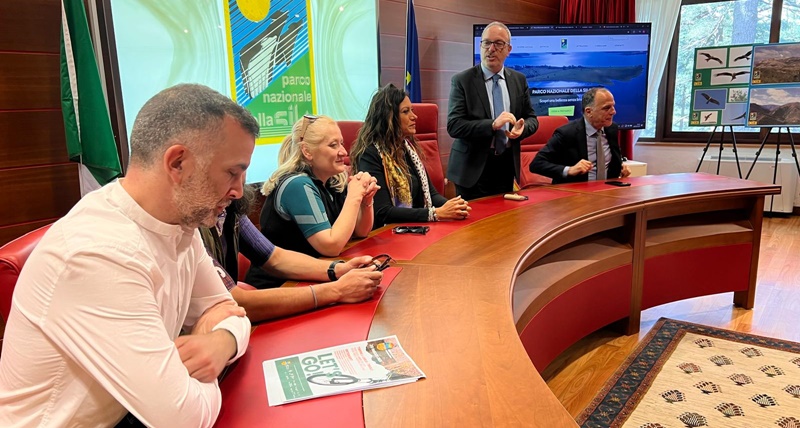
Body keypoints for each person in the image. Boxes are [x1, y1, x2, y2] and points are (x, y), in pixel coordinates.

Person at [0, 84, 254, 427]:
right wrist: (205, 347)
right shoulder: (99, 253)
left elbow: (229, 311)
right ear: (178, 162)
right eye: (232, 172)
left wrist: (222, 341)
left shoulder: (179, 223)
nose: (238, 190)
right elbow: (184, 418)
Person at [199, 185, 383, 322]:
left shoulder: (230, 208)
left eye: (242, 172)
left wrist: (338, 269)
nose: (239, 190)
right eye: (231, 172)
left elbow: (274, 256)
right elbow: (235, 301)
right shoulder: (297, 185)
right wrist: (338, 290)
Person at [245, 115, 378, 289]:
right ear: (307, 151)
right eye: (333, 145)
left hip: (315, 278)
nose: (344, 152)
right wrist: (354, 196)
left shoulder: (333, 181)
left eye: (341, 143)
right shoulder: (297, 185)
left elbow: (361, 231)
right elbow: (331, 246)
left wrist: (366, 200)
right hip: (281, 287)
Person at [350, 83, 471, 227]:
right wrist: (435, 213)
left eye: (412, 110)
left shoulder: (407, 148)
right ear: (389, 117)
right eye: (405, 111)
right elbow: (382, 211)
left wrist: (454, 207)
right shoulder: (370, 154)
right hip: (386, 232)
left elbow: (431, 195)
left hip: (415, 228)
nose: (414, 116)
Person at [446, 21, 539, 200]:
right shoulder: (462, 81)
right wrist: (492, 125)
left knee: (504, 216)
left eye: (498, 44)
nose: (491, 49)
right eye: (487, 43)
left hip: (505, 166)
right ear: (480, 46)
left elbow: (532, 118)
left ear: (508, 49)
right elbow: (454, 125)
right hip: (471, 169)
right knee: (474, 218)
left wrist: (522, 129)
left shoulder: (518, 80)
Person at [530, 87, 631, 184]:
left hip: (608, 189)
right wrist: (569, 170)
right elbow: (536, 164)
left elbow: (612, 158)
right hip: (575, 191)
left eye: (613, 106)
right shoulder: (567, 133)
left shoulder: (612, 129)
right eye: (606, 108)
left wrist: (620, 166)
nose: (613, 112)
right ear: (589, 112)